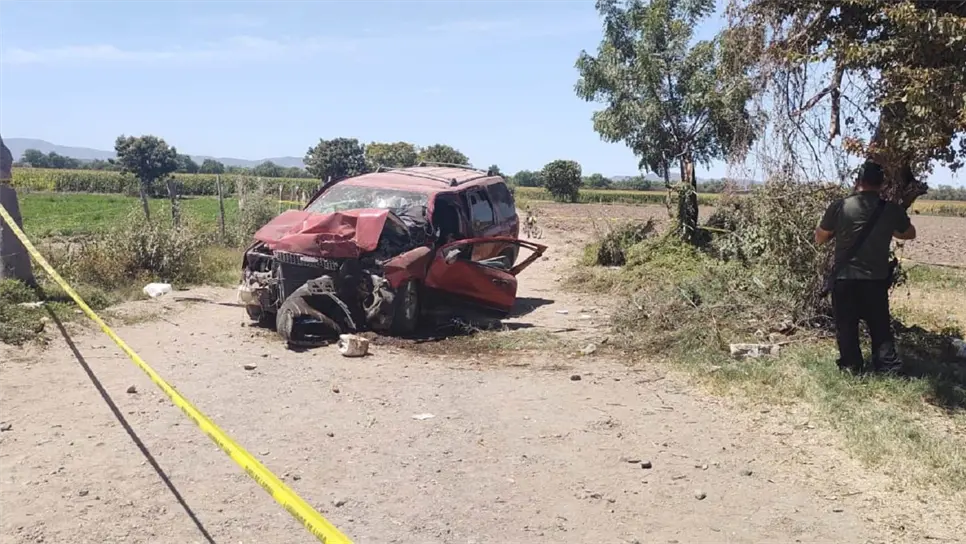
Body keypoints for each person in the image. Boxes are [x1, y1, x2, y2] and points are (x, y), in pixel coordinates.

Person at [814, 160, 917, 375]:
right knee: (880, 327)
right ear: (881, 185)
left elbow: (820, 238)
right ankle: (888, 368)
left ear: (857, 181)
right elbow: (909, 233)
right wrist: (891, 230)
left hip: (845, 278)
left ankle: (852, 367)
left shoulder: (840, 206)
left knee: (846, 327)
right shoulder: (891, 210)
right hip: (876, 280)